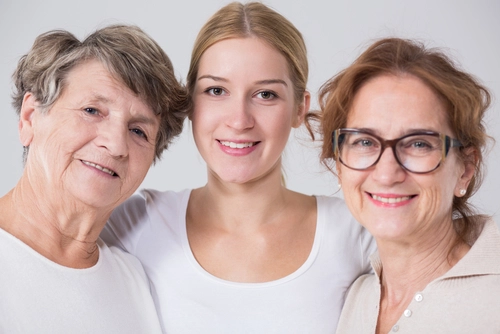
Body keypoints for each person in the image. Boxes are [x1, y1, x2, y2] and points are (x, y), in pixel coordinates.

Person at [101, 2, 376, 332]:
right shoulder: (131, 224)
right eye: (216, 90)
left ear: (299, 109)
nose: (239, 120)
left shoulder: (354, 233)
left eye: (265, 94)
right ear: (191, 102)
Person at [0, 24, 188, 332]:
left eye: (139, 131)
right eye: (92, 110)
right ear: (30, 117)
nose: (115, 145)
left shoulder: (137, 284)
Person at [315, 37, 500, 333]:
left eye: (418, 144)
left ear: (465, 170)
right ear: (339, 165)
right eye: (364, 141)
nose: (387, 174)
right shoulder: (356, 298)